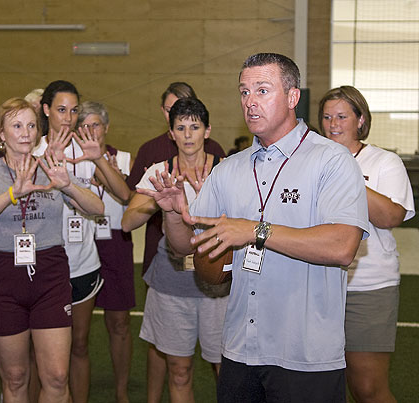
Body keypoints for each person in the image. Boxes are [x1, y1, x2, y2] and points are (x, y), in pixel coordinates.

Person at [139, 53, 370, 402]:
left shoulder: (331, 160)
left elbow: (342, 245)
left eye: (262, 90)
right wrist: (172, 213)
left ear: (293, 97)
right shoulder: (229, 168)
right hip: (240, 350)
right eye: (244, 92)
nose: (250, 102)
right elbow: (187, 246)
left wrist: (256, 231)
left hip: (306, 356)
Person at [0, 97, 104, 402]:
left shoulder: (51, 169)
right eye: (16, 125)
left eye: (30, 125)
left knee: (56, 377)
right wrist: (13, 193)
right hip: (1, 275)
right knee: (15, 379)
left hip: (49, 274)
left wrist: (67, 185)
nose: (25, 132)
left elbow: (98, 207)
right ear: (1, 133)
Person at [122, 97, 229, 402]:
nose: (187, 134)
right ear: (170, 134)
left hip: (217, 283)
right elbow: (128, 224)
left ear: (207, 131)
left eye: (194, 127)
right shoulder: (160, 173)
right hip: (172, 283)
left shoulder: (227, 170)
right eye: (180, 127)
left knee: (226, 369)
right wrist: (157, 200)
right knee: (179, 370)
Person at [318, 85, 414, 403]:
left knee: (367, 388)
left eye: (342, 116)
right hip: (318, 286)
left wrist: (347, 174)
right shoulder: (311, 162)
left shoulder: (384, 162)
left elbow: (391, 217)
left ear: (360, 120)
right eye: (327, 116)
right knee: (323, 386)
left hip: (368, 288)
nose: (333, 124)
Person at [37, 80, 130, 403]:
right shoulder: (32, 150)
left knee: (79, 345)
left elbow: (123, 194)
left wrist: (100, 157)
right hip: (43, 266)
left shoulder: (86, 150)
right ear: (46, 110)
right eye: (61, 110)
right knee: (43, 353)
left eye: (74, 110)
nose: (68, 117)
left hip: (83, 264)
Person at [77, 101, 135, 403]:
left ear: (107, 127)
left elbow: (130, 197)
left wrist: (109, 174)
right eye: (83, 125)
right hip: (81, 240)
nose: (89, 131)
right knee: (77, 329)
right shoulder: (71, 160)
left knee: (120, 322)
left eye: (95, 124)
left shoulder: (123, 159)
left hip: (115, 242)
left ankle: (121, 391)